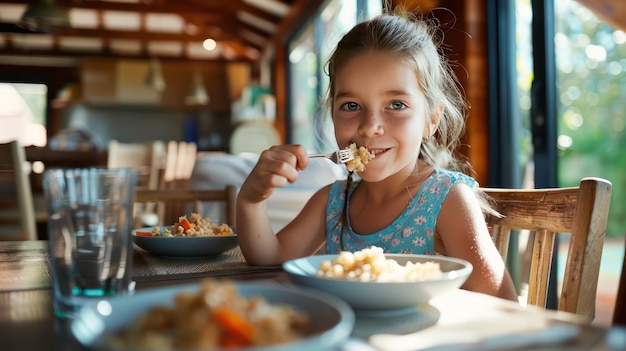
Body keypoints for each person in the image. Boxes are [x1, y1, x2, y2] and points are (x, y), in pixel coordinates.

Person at [236, 9, 518, 301]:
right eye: (351, 106)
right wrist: (251, 201)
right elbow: (270, 259)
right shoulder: (333, 202)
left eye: (396, 104)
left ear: (431, 119)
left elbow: (504, 305)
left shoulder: (447, 200)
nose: (370, 127)